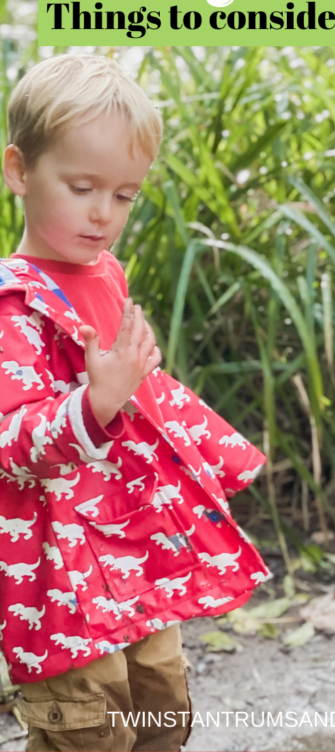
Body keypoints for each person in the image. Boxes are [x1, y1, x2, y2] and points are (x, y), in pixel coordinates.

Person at [0, 54, 269, 752]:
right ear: (19, 171)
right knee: (86, 729)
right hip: (58, 568)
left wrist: (205, 455)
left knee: (160, 709)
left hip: (135, 550)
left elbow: (145, 399)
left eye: (124, 196)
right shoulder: (13, 304)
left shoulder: (104, 274)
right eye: (83, 186)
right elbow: (12, 445)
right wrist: (93, 404)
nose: (103, 213)